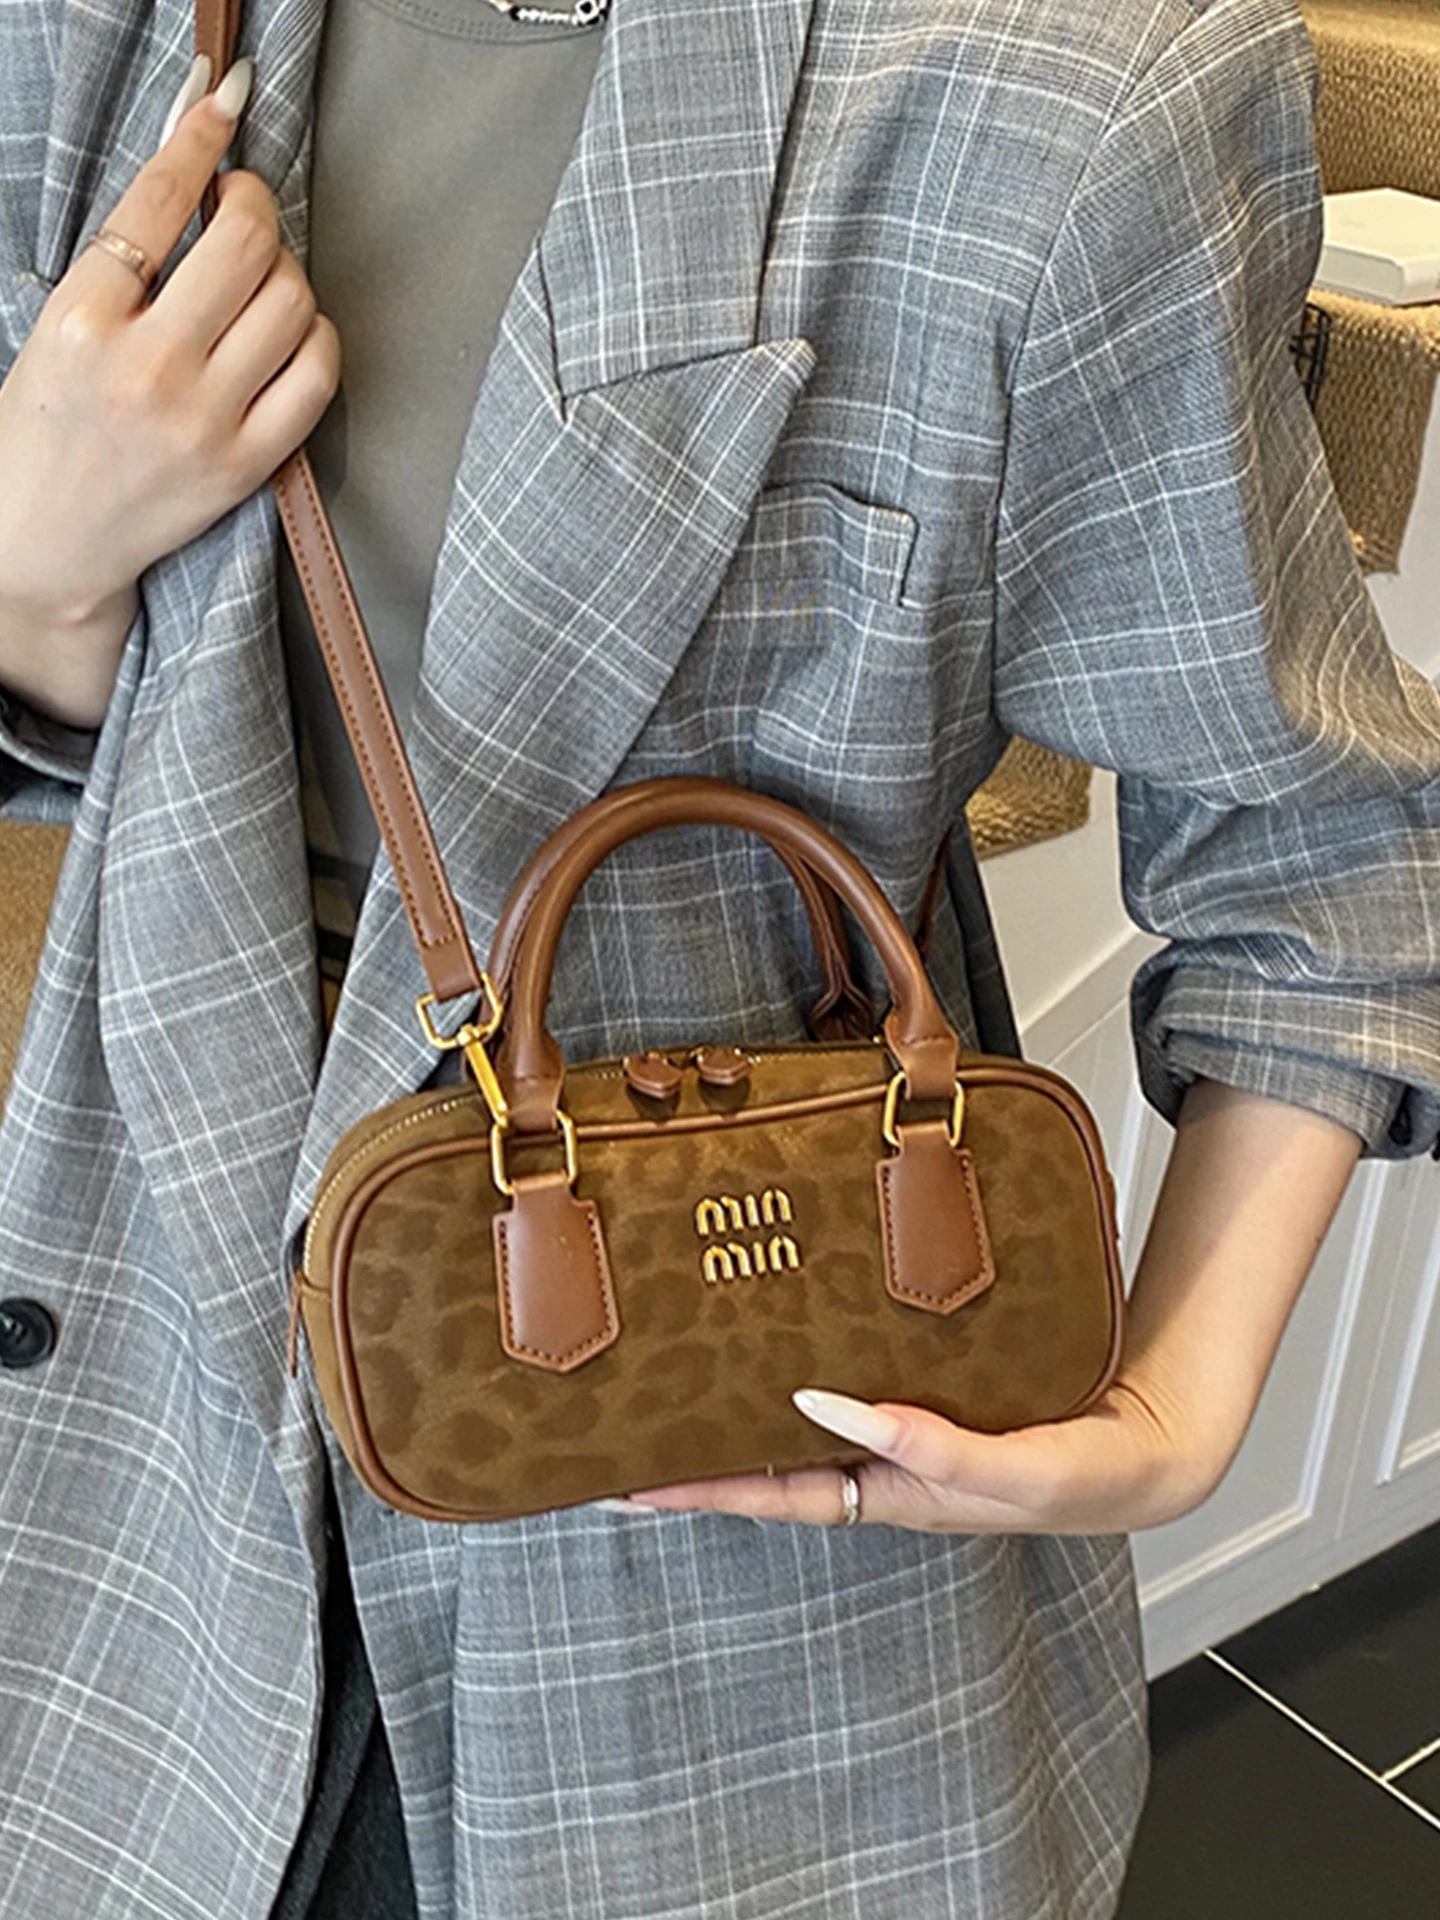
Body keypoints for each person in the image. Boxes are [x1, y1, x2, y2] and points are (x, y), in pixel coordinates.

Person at [0, 0, 1435, 1914]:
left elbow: (1321, 853)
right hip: (148, 1399)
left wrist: (1181, 1409)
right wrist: (31, 574)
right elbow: (122, 745)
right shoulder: (88, 32)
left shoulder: (1061, 90)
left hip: (721, 1500)